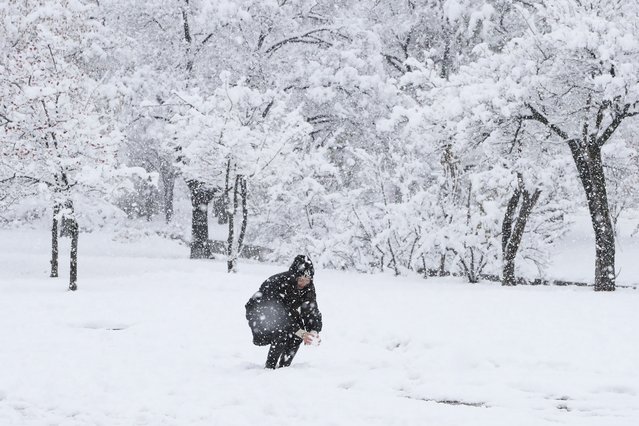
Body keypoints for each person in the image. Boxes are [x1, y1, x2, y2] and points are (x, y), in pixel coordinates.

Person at [245, 255, 323, 369]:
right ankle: (270, 367)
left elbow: (311, 309)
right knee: (283, 331)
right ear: (294, 276)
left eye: (307, 280)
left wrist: (313, 331)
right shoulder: (276, 283)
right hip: (260, 311)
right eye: (300, 279)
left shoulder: (308, 286)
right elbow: (280, 317)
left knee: (297, 334)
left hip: (286, 312)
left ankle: (284, 367)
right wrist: (301, 332)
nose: (303, 283)